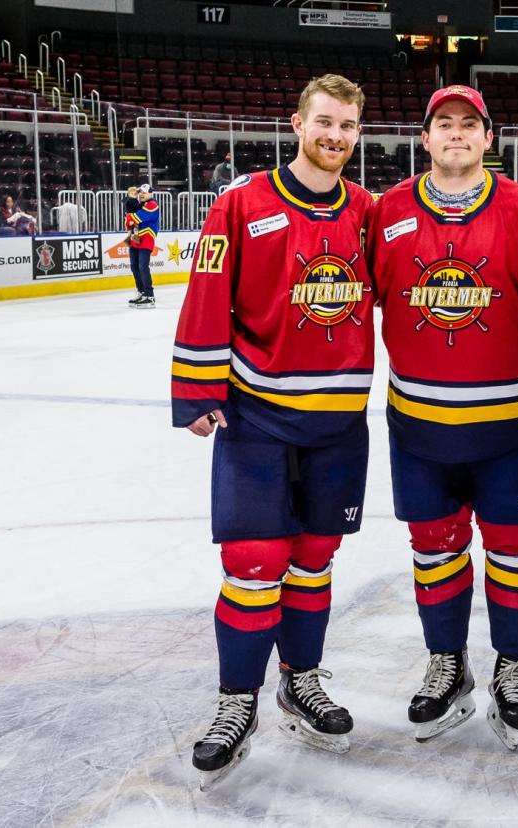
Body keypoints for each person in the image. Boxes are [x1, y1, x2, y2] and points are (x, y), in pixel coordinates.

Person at [172, 74, 373, 789]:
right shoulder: (241, 203)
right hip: (256, 416)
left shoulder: (367, 212)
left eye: (348, 126)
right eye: (325, 121)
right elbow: (207, 292)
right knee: (256, 564)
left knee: (313, 561)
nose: (335, 136)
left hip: (340, 423)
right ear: (296, 123)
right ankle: (236, 702)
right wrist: (195, 388)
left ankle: (301, 679)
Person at [366, 85, 518, 749]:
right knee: (435, 552)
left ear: (488, 139)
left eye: (468, 125)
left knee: (512, 551)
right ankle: (448, 663)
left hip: (513, 426)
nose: (455, 134)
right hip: (419, 425)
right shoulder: (387, 211)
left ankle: (514, 666)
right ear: (424, 138)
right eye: (443, 124)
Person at [125, 184, 160, 308]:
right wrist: (130, 218)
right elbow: (128, 221)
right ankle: (141, 292)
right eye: (140, 192)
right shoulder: (140, 205)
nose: (141, 194)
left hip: (146, 239)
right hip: (135, 238)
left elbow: (135, 218)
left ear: (151, 194)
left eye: (144, 192)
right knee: (135, 267)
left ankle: (149, 296)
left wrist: (130, 217)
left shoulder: (152, 205)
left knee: (142, 266)